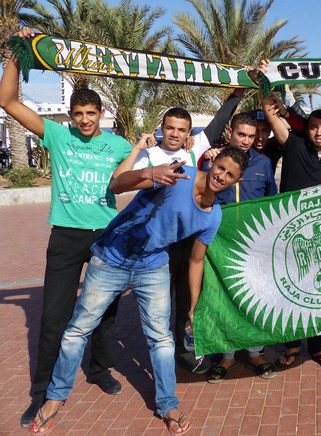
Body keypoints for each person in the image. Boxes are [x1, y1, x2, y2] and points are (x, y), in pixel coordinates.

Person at [28, 143, 249, 435]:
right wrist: (150, 173)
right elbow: (117, 185)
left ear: (236, 181)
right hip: (110, 259)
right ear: (213, 161)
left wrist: (194, 306)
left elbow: (196, 261)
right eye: (220, 167)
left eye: (230, 175)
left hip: (153, 266)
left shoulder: (213, 215)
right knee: (77, 331)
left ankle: (168, 404)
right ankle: (55, 398)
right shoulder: (178, 175)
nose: (221, 176)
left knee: (162, 340)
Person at [0, 28, 134, 428]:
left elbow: (154, 164)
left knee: (106, 311)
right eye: (79, 114)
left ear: (101, 116)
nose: (85, 120)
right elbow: (7, 101)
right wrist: (15, 52)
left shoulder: (119, 146)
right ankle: (42, 390)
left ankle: (99, 369)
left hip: (108, 237)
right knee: (54, 316)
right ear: (71, 116)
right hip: (66, 235)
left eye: (91, 114)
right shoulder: (57, 136)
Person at [124, 92, 246, 375]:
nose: (176, 134)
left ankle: (183, 351)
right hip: (156, 241)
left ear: (189, 132)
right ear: (161, 128)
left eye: (181, 129)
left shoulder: (195, 148)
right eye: (170, 128)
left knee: (183, 300)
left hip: (187, 239)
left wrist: (237, 94)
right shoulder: (149, 155)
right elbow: (125, 182)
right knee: (158, 301)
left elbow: (219, 122)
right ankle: (158, 353)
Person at [259, 60, 321, 370]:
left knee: (319, 290)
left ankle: (319, 348)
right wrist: (266, 80)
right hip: (290, 230)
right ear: (308, 129)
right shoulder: (292, 144)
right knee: (291, 289)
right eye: (315, 127)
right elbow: (269, 112)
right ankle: (292, 347)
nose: (319, 132)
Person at [198, 111, 278, 381]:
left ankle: (255, 352)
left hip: (252, 243)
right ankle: (228, 355)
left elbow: (271, 202)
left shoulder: (264, 163)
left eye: (251, 136)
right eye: (241, 134)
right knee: (223, 297)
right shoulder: (215, 160)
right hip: (219, 242)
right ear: (230, 131)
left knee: (254, 295)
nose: (245, 141)